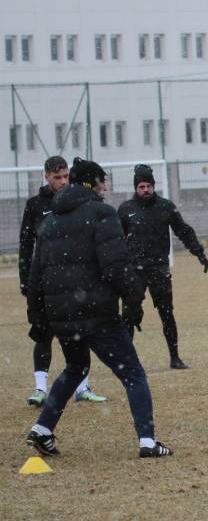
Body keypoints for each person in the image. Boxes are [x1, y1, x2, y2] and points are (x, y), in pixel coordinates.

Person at [25, 158, 172, 458]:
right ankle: (147, 441)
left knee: (75, 368)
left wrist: (38, 318)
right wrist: (134, 302)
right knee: (133, 373)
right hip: (97, 314)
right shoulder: (102, 213)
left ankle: (42, 429)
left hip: (63, 317)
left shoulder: (51, 220)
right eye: (102, 180)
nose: (106, 186)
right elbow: (117, 266)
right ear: (92, 183)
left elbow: (36, 275)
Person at [18, 156, 106, 406]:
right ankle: (40, 389)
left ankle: (83, 387)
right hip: (46, 281)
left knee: (79, 332)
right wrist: (26, 280)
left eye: (66, 176)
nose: (63, 181)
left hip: (74, 282)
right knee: (43, 334)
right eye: (57, 177)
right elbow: (26, 246)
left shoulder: (74, 201)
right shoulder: (36, 205)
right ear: (46, 176)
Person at [117, 164, 208, 369]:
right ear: (136, 188)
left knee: (167, 313)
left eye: (148, 186)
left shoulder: (165, 207)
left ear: (153, 186)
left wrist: (198, 252)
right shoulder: (125, 210)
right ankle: (126, 361)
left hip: (159, 268)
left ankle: (175, 357)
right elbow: (115, 240)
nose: (146, 190)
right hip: (134, 271)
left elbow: (183, 231)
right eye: (141, 186)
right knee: (129, 315)